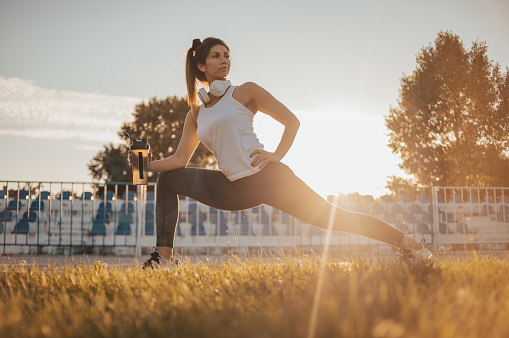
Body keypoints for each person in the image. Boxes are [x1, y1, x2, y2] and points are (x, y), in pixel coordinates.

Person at [129, 37, 431, 268]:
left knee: (336, 219)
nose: (224, 61)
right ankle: (164, 260)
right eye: (216, 56)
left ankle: (412, 247)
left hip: (269, 177)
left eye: (227, 56)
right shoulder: (196, 114)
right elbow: (180, 160)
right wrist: (145, 164)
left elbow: (292, 121)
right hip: (234, 186)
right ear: (201, 65)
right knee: (169, 181)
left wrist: (276, 155)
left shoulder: (244, 91)